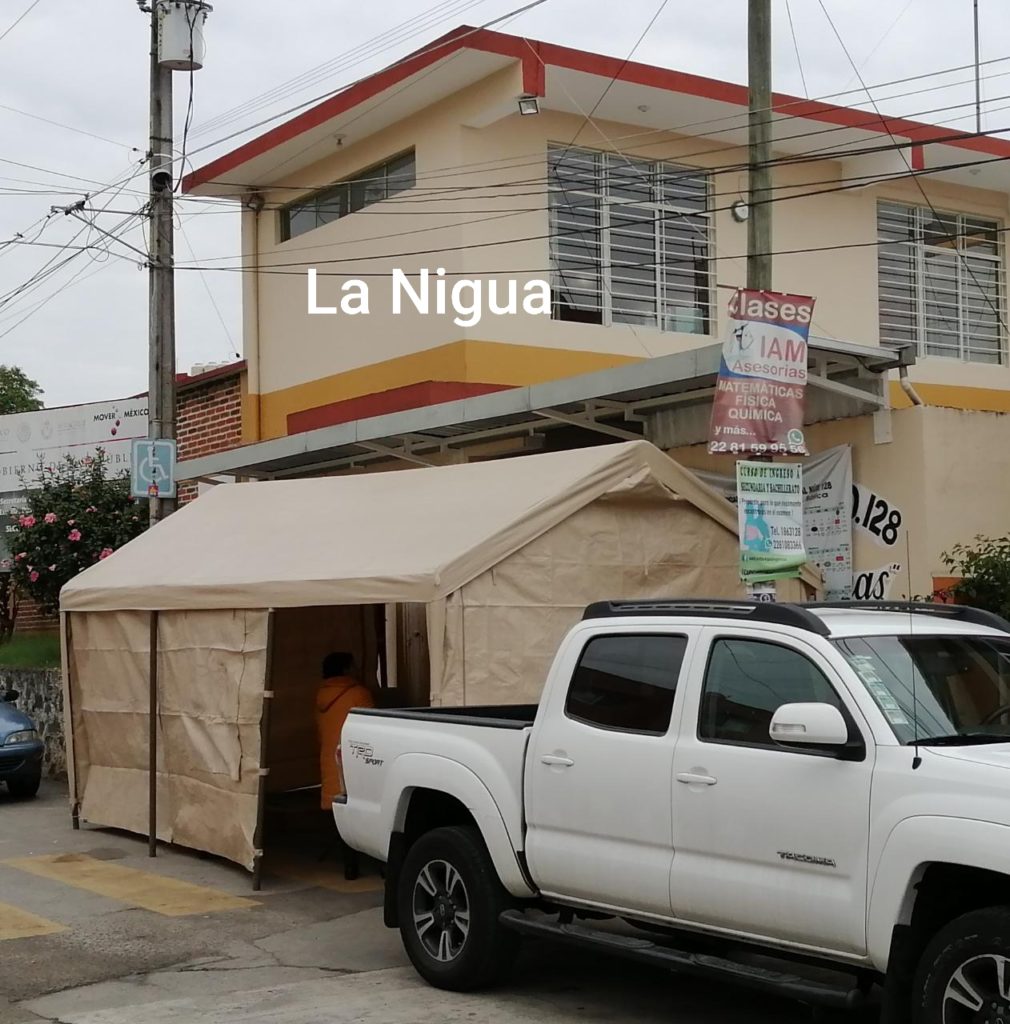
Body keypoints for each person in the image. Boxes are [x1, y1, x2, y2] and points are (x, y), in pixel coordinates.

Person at [316, 652, 374, 879]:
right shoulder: (359, 694)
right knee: (358, 805)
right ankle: (357, 862)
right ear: (347, 669)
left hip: (330, 757)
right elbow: (370, 729)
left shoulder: (320, 695)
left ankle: (348, 865)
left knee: (339, 806)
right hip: (353, 757)